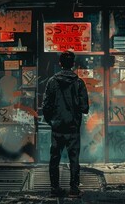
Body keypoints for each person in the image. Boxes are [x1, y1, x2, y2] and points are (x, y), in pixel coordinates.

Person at [42, 51, 89, 198]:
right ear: (73, 64)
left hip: (57, 127)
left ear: (60, 64)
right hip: (73, 128)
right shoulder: (79, 83)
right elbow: (85, 108)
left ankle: (54, 189)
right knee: (74, 159)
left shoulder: (52, 82)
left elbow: (46, 106)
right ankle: (74, 190)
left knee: (54, 158)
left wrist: (52, 121)